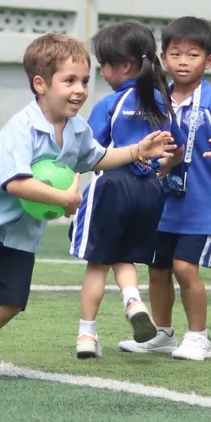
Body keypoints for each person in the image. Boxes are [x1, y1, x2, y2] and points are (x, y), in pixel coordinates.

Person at [0, 33, 175, 383]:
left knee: (9, 303)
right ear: (41, 84)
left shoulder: (78, 129)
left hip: (20, 234)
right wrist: (64, 200)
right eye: (69, 81)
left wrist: (137, 150)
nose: (80, 89)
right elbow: (16, 183)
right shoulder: (21, 128)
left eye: (84, 80)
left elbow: (98, 158)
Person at [120, 17, 211, 362]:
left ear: (208, 61)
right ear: (162, 57)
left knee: (184, 268)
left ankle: (198, 336)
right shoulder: (156, 99)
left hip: (200, 204)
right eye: (175, 53)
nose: (182, 61)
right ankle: (162, 333)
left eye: (192, 55)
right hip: (159, 203)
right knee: (157, 269)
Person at [68, 20, 171, 359]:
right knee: (124, 258)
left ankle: (87, 335)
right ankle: (133, 301)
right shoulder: (161, 101)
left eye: (104, 65)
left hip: (113, 186)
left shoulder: (108, 104)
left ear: (124, 66)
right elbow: (174, 148)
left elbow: (90, 154)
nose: (101, 72)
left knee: (97, 264)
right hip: (151, 192)